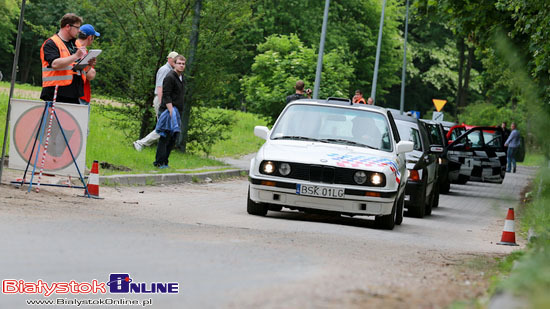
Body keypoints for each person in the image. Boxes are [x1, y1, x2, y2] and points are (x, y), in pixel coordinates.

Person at [133, 51, 179, 151]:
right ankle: (141, 143)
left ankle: (159, 150)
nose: (175, 61)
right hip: (161, 99)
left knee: (166, 127)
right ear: (169, 59)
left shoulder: (172, 71)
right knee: (163, 127)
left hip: (166, 100)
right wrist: (164, 104)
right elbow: (160, 88)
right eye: (174, 59)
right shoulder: (164, 70)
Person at [40, 13, 89, 104]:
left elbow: (81, 69)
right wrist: (75, 56)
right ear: (67, 26)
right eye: (77, 28)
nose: (79, 31)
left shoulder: (76, 44)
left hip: (74, 92)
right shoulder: (51, 43)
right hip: (56, 91)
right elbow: (55, 64)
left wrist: (89, 63)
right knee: (53, 119)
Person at [153, 55, 186, 169]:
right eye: (179, 63)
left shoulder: (181, 77)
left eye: (183, 64)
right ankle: (159, 162)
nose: (181, 65)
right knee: (165, 136)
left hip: (178, 110)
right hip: (168, 110)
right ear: (174, 64)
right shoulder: (170, 76)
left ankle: (165, 161)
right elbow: (166, 95)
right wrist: (171, 111)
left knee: (173, 137)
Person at [76, 24, 100, 105]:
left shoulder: (71, 46)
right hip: (81, 95)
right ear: (90, 37)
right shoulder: (82, 51)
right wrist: (91, 68)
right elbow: (90, 75)